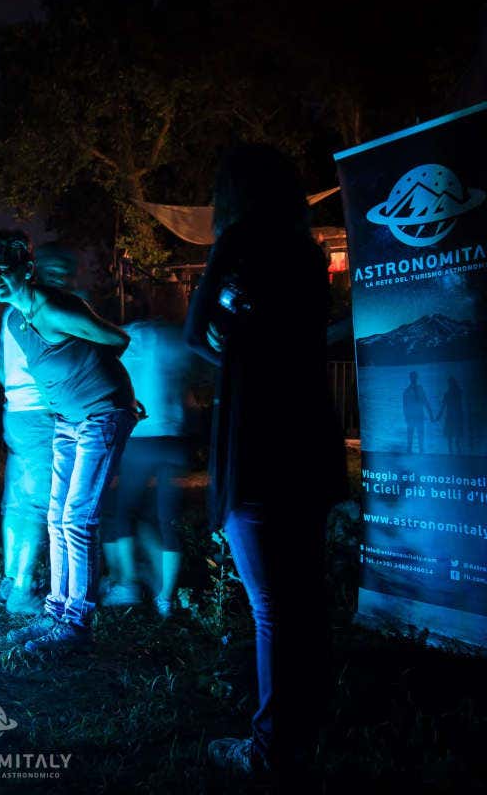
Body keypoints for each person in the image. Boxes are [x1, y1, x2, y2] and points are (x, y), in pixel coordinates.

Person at [182, 144, 346, 779]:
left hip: (257, 434)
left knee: (272, 605)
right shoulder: (309, 256)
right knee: (304, 594)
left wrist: (237, 345)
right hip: (307, 432)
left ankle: (272, 750)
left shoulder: (239, 243)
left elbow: (198, 332)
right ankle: (309, 723)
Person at [0, 230, 137, 656]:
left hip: (101, 415)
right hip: (66, 420)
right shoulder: (14, 319)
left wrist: (94, 382)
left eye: (1, 267)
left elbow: (117, 339)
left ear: (24, 267)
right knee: (55, 517)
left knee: (78, 518)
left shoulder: (52, 307)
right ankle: (55, 612)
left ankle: (77, 623)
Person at [0, 243, 80, 615]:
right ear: (38, 272)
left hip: (17, 414)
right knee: (37, 505)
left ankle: (11, 577)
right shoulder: (44, 310)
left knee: (17, 501)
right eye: (56, 273)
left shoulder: (13, 310)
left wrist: (16, 393)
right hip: (40, 416)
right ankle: (22, 591)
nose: (61, 280)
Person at [101, 318, 190, 617]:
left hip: (141, 437)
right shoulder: (174, 336)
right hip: (174, 438)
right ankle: (166, 598)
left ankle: (126, 585)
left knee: (122, 513)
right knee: (167, 521)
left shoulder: (124, 336)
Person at [403, 371, 435, 453]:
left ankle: (418, 452)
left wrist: (430, 413)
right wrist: (406, 417)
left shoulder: (417, 389)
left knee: (419, 438)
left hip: (418, 416)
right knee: (412, 438)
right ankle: (411, 452)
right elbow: (405, 406)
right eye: (413, 377)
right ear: (411, 378)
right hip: (413, 417)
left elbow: (425, 401)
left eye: (415, 377)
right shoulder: (407, 391)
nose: (414, 379)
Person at [435, 376, 465, 455]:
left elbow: (443, 406)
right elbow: (444, 406)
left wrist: (439, 416)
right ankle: (455, 453)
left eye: (450, 383)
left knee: (452, 437)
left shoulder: (451, 393)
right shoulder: (455, 393)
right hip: (454, 416)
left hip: (454, 416)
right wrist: (439, 415)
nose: (450, 385)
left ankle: (453, 453)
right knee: (452, 437)